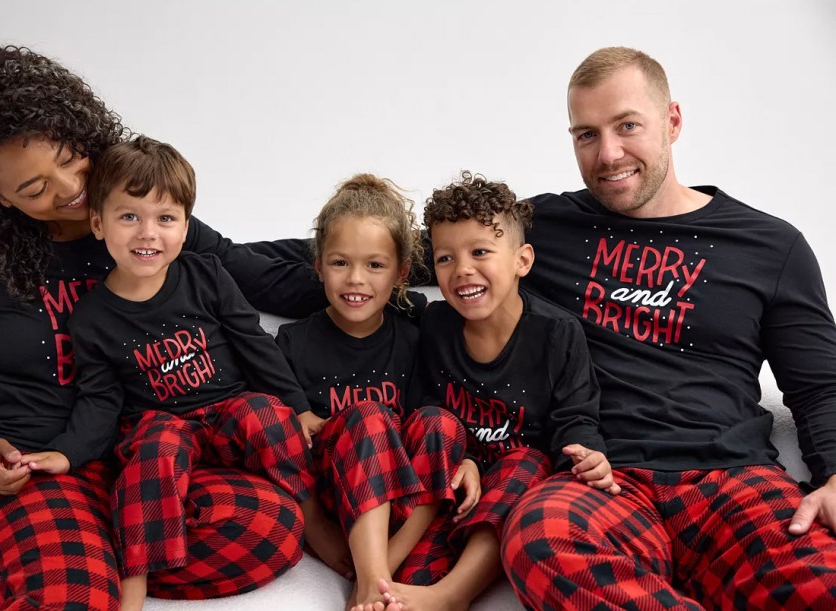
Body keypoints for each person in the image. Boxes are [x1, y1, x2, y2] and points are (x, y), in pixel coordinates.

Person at [0, 46, 325, 609]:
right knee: (73, 595)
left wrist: (402, 260)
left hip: (150, 463)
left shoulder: (131, 212)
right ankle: (52, 555)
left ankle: (75, 556)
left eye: (71, 156)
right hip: (40, 465)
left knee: (271, 526)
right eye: (35, 189)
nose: (68, 187)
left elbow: (249, 268)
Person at [497, 47, 836, 609]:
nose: (608, 154)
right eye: (586, 134)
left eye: (627, 126)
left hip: (732, 480)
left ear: (673, 122)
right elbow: (381, 256)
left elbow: (821, 387)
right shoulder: (541, 230)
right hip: (603, 478)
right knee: (540, 536)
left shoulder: (769, 246)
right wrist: (324, 261)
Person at [30, 135, 347, 610]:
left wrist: (299, 408)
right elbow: (99, 400)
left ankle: (313, 519)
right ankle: (134, 576)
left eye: (165, 218)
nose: (147, 233)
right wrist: (65, 453)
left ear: (184, 227)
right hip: (161, 425)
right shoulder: (92, 317)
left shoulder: (207, 274)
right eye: (129, 216)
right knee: (155, 443)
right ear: (99, 222)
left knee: (265, 414)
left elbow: (254, 343)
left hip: (227, 413)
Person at [375, 173, 619, 611]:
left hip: (517, 491)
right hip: (452, 488)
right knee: (404, 587)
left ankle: (452, 596)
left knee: (526, 459)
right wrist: (464, 457)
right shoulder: (436, 324)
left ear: (522, 260)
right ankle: (407, 584)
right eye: (445, 258)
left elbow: (575, 416)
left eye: (480, 252)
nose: (462, 269)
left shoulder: (557, 333)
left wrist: (589, 456)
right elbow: (426, 404)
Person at [275, 173, 479, 611]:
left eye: (375, 265)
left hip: (403, 510)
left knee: (439, 422)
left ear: (402, 271)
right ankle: (371, 581)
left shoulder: (413, 337)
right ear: (318, 265)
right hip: (338, 503)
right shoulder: (293, 341)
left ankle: (379, 573)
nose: (355, 280)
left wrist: (468, 459)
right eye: (339, 263)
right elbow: (284, 447)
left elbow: (433, 434)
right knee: (368, 417)